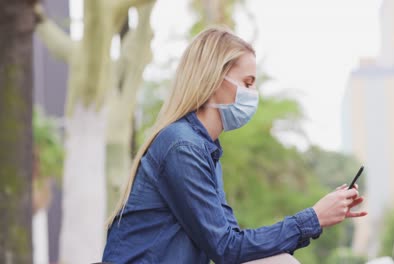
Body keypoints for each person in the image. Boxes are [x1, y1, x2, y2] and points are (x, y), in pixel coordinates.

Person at [102, 26, 367, 264]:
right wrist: (313, 218)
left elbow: (233, 243)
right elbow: (227, 249)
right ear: (215, 79)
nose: (252, 94)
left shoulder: (205, 149)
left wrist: (317, 219)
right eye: (246, 83)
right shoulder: (182, 146)